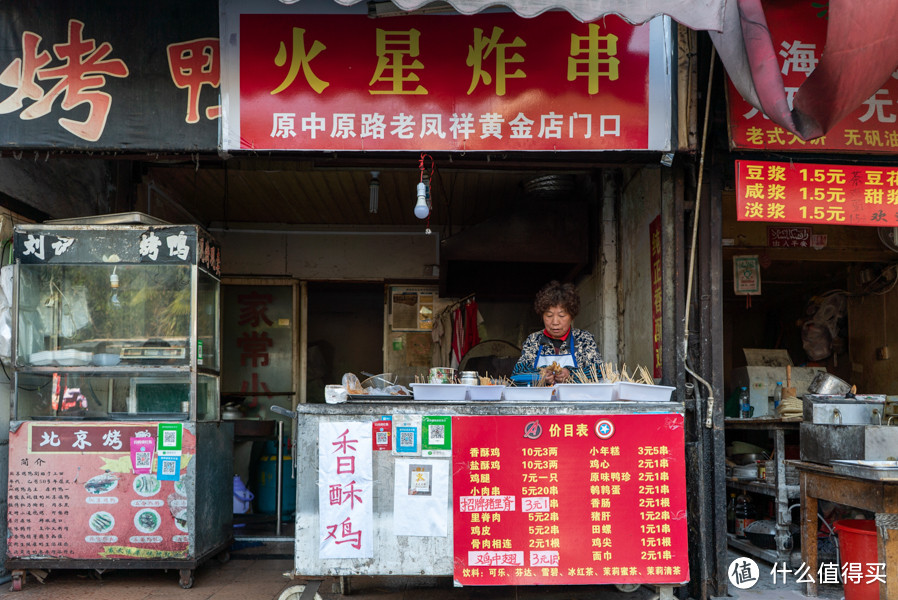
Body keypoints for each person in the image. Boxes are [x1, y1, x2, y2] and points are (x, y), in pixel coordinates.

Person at [512, 280, 603, 384]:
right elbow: (517, 374)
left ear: (572, 316)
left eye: (562, 316)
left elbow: (599, 371)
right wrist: (540, 375)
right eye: (549, 315)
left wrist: (570, 374)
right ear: (542, 316)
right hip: (541, 399)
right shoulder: (533, 340)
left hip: (575, 399)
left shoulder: (584, 339)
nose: (555, 322)